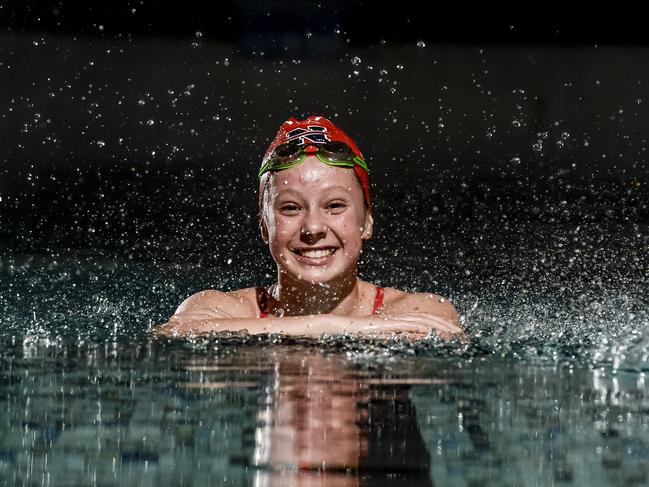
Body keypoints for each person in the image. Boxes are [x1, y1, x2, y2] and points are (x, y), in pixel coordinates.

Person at [154, 115, 463, 340]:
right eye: (290, 208)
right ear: (264, 226)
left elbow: (443, 334)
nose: (313, 227)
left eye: (335, 206)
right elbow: (174, 334)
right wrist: (334, 326)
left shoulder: (419, 307)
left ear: (366, 221)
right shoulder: (218, 306)